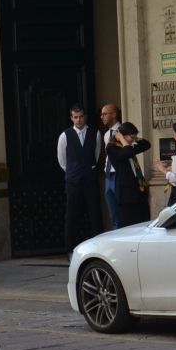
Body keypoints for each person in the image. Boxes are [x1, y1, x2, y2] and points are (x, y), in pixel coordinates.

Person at [57, 104, 103, 250]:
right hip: (73, 181)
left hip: (90, 179)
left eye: (81, 116)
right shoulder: (65, 135)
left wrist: (88, 170)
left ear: (85, 116)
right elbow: (62, 159)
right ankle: (70, 247)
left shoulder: (95, 133)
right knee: (72, 214)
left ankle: (99, 245)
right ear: (71, 118)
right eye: (75, 117)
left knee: (95, 213)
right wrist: (72, 172)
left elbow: (96, 155)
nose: (79, 120)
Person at [105, 122, 152, 228]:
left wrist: (135, 138)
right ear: (122, 135)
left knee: (144, 222)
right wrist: (122, 139)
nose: (133, 141)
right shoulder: (112, 148)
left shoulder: (128, 146)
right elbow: (128, 153)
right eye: (132, 137)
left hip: (138, 189)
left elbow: (146, 145)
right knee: (130, 225)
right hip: (127, 194)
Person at [99, 103, 124, 229]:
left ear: (114, 114)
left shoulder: (123, 131)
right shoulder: (106, 134)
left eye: (105, 114)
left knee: (121, 213)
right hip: (108, 175)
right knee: (113, 214)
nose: (102, 117)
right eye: (101, 114)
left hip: (118, 175)